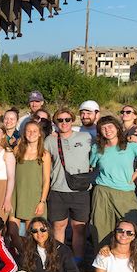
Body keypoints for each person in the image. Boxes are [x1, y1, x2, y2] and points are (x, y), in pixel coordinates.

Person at [89, 116, 137, 251]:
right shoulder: (97, 148)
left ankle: (130, 261)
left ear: (117, 128)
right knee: (101, 228)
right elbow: (91, 167)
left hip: (126, 192)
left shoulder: (131, 146)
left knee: (130, 228)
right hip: (102, 191)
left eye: (110, 126)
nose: (107, 130)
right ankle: (103, 264)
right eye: (103, 128)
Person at [47, 109, 93, 261]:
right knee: (58, 227)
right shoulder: (50, 140)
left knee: (79, 228)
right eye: (60, 120)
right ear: (55, 123)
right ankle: (60, 259)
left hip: (81, 190)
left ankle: (78, 260)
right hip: (58, 189)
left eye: (67, 119)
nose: (64, 123)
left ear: (73, 120)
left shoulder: (85, 137)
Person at [9, 117, 51, 244]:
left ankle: (32, 260)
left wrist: (42, 201)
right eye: (28, 131)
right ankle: (22, 255)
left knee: (32, 233)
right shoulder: (17, 150)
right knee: (12, 231)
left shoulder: (44, 154)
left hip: (34, 196)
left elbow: (46, 180)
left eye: (34, 131)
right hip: (16, 195)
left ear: (39, 134)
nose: (31, 134)